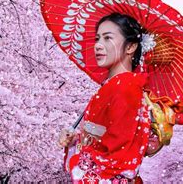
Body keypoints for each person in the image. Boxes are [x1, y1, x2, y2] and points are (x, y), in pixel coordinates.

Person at [57, 12, 151, 183]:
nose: (98, 46)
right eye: (97, 39)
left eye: (108, 38)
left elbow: (118, 159)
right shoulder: (114, 86)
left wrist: (77, 157)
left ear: (130, 47)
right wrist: (75, 141)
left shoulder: (126, 88)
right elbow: (102, 140)